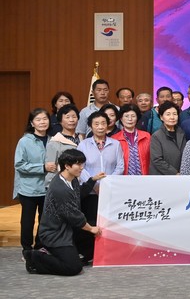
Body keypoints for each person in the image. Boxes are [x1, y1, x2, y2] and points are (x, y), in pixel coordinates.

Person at [22, 149, 104, 276]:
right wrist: (91, 229)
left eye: (82, 164)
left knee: (96, 232)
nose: (82, 168)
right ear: (67, 166)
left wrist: (92, 179)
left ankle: (71, 253)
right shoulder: (60, 188)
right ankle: (35, 257)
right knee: (73, 267)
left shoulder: (72, 179)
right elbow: (74, 216)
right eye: (78, 164)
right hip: (55, 232)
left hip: (68, 227)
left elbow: (79, 193)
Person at [76, 111, 123, 263]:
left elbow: (120, 166)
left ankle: (109, 253)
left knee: (109, 223)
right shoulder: (83, 145)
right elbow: (80, 167)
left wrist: (107, 184)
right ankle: (88, 254)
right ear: (91, 126)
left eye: (103, 123)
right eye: (96, 124)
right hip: (89, 192)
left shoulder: (115, 144)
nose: (100, 127)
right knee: (90, 221)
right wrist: (94, 184)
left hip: (110, 192)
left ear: (108, 125)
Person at [14, 108, 52, 255]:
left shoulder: (53, 140)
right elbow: (19, 164)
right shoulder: (24, 141)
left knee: (45, 221)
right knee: (27, 222)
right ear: (32, 123)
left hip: (48, 188)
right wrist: (42, 167)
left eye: (45, 119)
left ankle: (40, 246)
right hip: (29, 188)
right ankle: (27, 249)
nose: (42, 122)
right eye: (38, 119)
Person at [44, 104, 81, 189]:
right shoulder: (55, 142)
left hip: (79, 185)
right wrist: (50, 187)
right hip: (62, 186)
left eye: (74, 117)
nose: (71, 120)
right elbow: (51, 168)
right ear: (60, 121)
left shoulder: (82, 139)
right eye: (67, 117)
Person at [112, 104, 151, 175]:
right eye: (126, 116)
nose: (130, 119)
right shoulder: (114, 139)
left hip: (144, 177)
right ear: (121, 118)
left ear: (137, 118)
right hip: (123, 178)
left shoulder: (146, 136)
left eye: (133, 116)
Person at [148, 101, 186, 175]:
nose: (172, 117)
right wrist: (174, 173)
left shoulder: (181, 133)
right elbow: (157, 160)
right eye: (168, 114)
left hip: (180, 175)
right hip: (162, 176)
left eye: (175, 114)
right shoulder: (156, 136)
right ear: (161, 117)